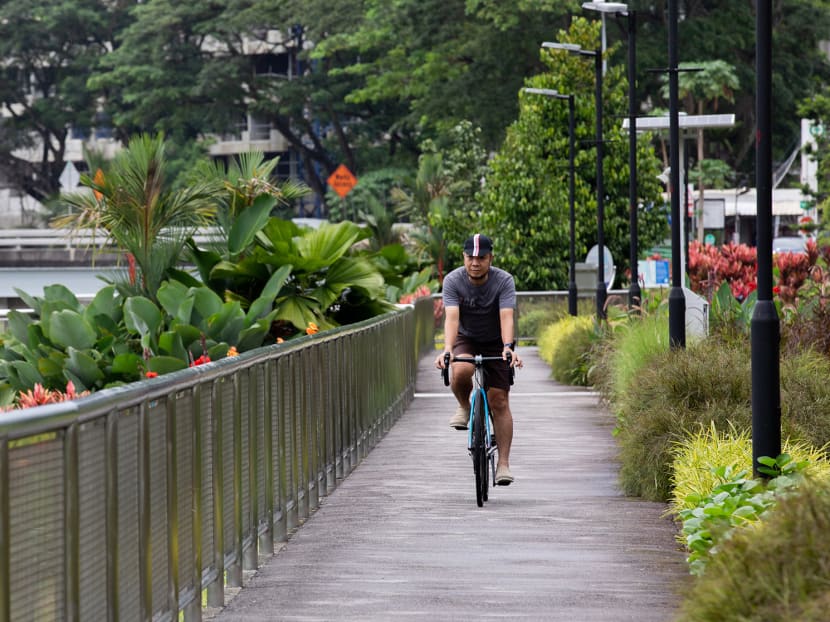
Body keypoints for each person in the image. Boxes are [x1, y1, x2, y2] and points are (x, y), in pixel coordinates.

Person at [435, 233, 522, 485]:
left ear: (490, 258)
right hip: (466, 338)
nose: (475, 262)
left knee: (499, 401)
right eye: (470, 257)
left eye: (481, 258)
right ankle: (464, 405)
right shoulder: (453, 281)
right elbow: (451, 318)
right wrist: (448, 349)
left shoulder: (504, 280)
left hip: (496, 340)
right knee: (461, 370)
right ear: (463, 257)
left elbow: (507, 316)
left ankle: (503, 464)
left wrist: (508, 347)